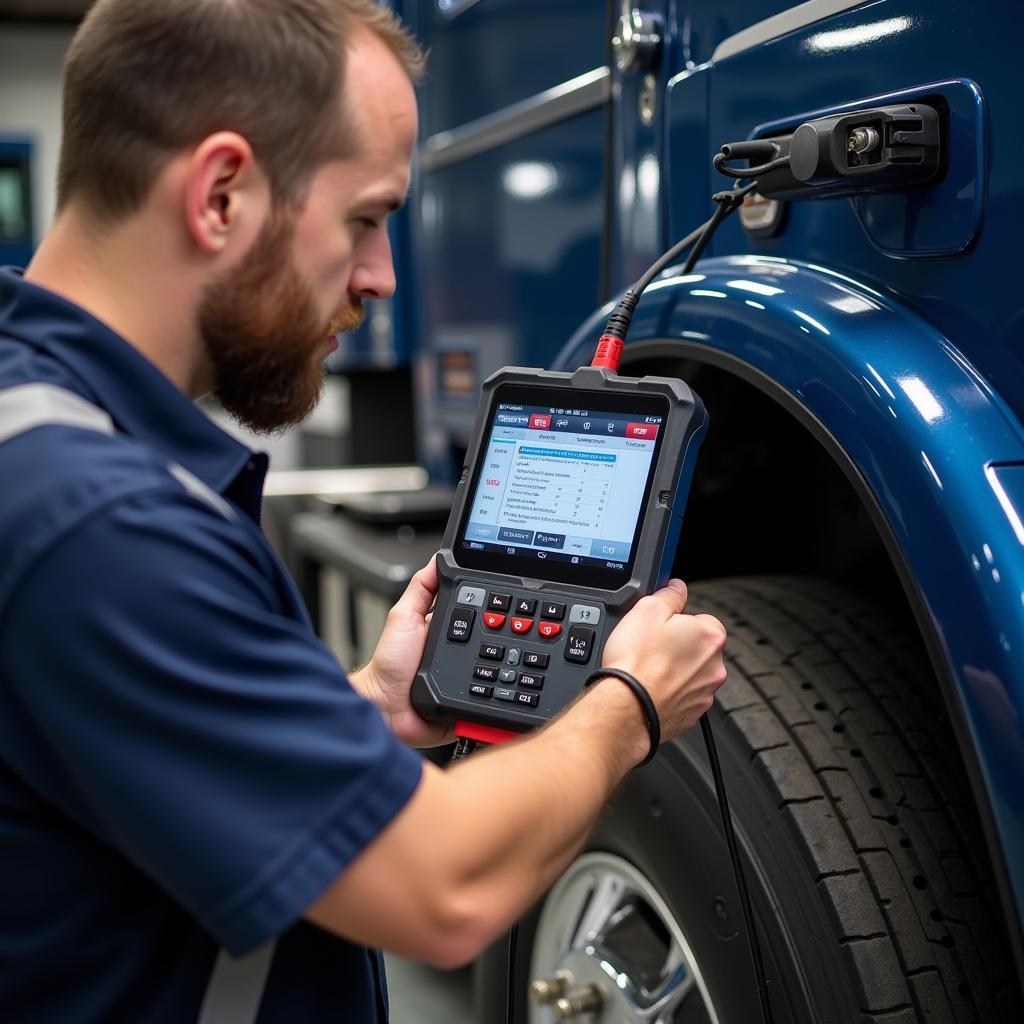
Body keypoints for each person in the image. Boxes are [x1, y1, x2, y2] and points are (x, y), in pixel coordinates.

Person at [0, 1, 729, 1021]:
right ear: (220, 194)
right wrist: (630, 703)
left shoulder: (29, 414)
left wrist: (367, 713)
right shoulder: (99, 525)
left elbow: (131, 759)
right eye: (365, 218)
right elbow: (444, 887)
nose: (384, 277)